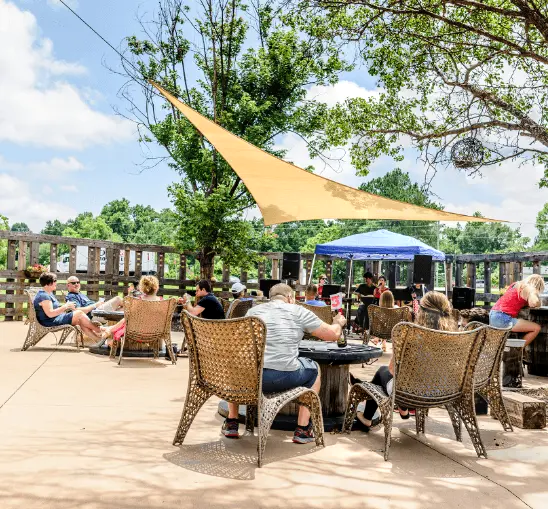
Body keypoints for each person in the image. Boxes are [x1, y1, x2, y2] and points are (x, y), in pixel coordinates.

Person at [223, 283, 347, 443]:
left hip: (250, 379)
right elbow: (333, 335)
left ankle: (232, 422)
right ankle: (302, 429)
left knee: (237, 364)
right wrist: (338, 322)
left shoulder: (252, 312)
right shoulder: (298, 311)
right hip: (283, 377)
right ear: (290, 298)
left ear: (270, 298)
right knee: (314, 368)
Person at [350, 291, 457, 431]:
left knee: (382, 371)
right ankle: (401, 408)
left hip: (410, 394)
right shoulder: (456, 338)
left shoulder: (410, 336)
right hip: (443, 393)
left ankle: (368, 417)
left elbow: (392, 370)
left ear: (422, 313)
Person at [34, 272, 102, 339]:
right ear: (48, 283)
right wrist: (65, 306)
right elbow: (50, 314)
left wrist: (67, 306)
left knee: (80, 321)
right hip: (50, 321)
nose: (56, 283)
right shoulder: (44, 296)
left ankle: (98, 341)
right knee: (79, 313)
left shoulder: (48, 293)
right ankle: (100, 330)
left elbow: (54, 310)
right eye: (55, 281)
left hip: (56, 318)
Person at [101, 275, 164, 344]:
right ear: (156, 287)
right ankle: (110, 329)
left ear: (142, 288)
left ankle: (109, 330)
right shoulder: (161, 301)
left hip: (138, 332)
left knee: (126, 320)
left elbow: (128, 316)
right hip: (156, 332)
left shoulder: (139, 301)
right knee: (127, 322)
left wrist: (129, 294)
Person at [490, 274, 544, 345]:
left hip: (493, 314)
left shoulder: (515, 285)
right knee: (537, 328)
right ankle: (519, 350)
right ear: (537, 286)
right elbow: (534, 303)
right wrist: (537, 298)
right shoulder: (529, 288)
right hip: (503, 318)